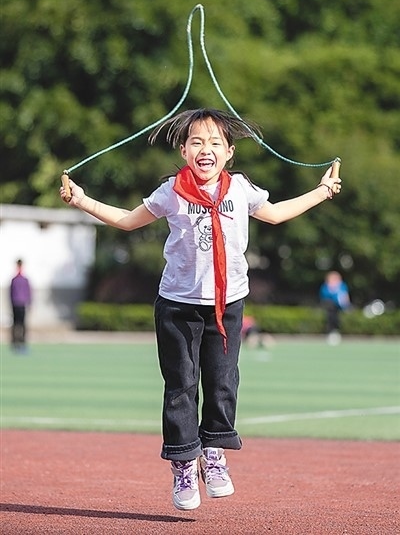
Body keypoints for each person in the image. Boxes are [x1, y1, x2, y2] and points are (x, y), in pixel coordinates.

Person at [60, 108, 342, 511]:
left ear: (229, 152)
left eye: (214, 143)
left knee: (223, 382)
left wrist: (323, 191)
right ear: (183, 150)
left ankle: (214, 453)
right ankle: (183, 464)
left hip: (227, 304)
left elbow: (277, 213)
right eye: (196, 141)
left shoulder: (240, 188)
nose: (205, 149)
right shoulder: (171, 191)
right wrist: (81, 200)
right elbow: (126, 220)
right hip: (178, 305)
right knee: (181, 386)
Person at [319, 271, 350, 345]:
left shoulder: (342, 286)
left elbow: (345, 296)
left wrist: (346, 305)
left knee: (337, 318)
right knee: (331, 315)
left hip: (340, 306)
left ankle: (336, 331)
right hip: (330, 306)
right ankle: (331, 332)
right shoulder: (326, 287)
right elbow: (323, 296)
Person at [10, 259, 32, 354]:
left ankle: (22, 342)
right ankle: (15, 342)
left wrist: (29, 303)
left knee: (22, 324)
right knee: (16, 323)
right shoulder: (14, 280)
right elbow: (11, 293)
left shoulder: (25, 280)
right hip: (16, 303)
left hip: (22, 304)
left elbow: (29, 292)